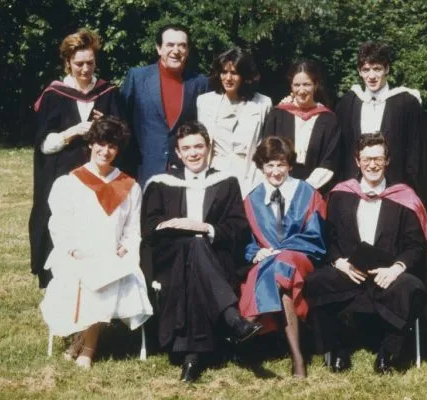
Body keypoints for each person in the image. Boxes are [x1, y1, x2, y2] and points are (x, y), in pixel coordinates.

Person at [304, 133, 427, 374]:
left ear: (387, 161)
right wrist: (339, 262)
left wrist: (396, 269)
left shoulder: (404, 198)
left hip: (387, 273)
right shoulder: (340, 195)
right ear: (357, 162)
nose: (372, 165)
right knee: (316, 282)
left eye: (378, 159)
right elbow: (329, 238)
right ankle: (339, 349)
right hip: (351, 271)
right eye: (367, 159)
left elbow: (416, 246)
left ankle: (386, 354)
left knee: (411, 288)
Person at [141, 121, 262, 383]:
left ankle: (191, 356)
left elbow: (238, 227)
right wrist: (177, 225)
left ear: (208, 148)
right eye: (186, 148)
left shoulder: (226, 182)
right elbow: (149, 228)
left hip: (214, 256)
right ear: (178, 152)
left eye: (198, 146)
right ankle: (232, 319)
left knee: (197, 249)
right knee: (192, 246)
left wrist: (205, 228)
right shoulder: (161, 183)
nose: (193, 153)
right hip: (171, 259)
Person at [39, 116, 153, 369]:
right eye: (101, 143)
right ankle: (82, 340)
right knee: (88, 273)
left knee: (102, 275)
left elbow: (133, 229)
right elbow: (59, 224)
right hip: (77, 252)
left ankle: (87, 348)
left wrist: (125, 247)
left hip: (114, 255)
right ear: (91, 143)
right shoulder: (71, 182)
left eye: (112, 146)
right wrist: (72, 248)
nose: (105, 151)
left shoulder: (130, 187)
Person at [334, 41, 427, 286]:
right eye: (366, 69)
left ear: (387, 69)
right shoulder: (348, 103)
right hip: (357, 190)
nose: (371, 75)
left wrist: (412, 194)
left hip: (394, 192)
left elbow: (416, 154)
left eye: (377, 68)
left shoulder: (406, 104)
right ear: (359, 71)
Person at [29, 28, 124, 288]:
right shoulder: (54, 94)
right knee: (63, 226)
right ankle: (59, 284)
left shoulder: (108, 93)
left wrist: (107, 124)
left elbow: (124, 137)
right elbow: (44, 146)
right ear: (67, 62)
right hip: (62, 174)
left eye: (90, 63)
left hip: (100, 175)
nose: (85, 69)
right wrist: (73, 132)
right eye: (79, 63)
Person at [238, 136, 327, 378]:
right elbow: (247, 241)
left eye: (281, 164)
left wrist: (282, 250)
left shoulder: (307, 193)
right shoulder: (252, 200)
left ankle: (249, 320)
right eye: (269, 165)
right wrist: (256, 252)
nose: (275, 171)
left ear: (290, 165)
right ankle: (298, 358)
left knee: (284, 262)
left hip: (301, 258)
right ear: (261, 166)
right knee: (281, 276)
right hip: (270, 265)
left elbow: (316, 237)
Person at [121, 23, 209, 185]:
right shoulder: (137, 78)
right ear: (159, 48)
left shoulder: (200, 83)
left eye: (182, 45)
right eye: (170, 45)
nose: (176, 51)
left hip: (185, 173)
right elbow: (121, 121)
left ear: (188, 50)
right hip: (143, 171)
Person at [197, 48, 272, 196]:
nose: (228, 78)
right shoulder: (205, 102)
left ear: (245, 75)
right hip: (214, 175)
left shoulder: (263, 103)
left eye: (234, 73)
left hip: (249, 177)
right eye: (224, 72)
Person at [263, 60, 339, 194]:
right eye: (297, 85)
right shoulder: (277, 115)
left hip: (315, 189)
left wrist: (305, 188)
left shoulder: (329, 120)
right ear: (291, 86)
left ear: (316, 85)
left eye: (306, 84)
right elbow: (267, 154)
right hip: (278, 185)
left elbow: (329, 160)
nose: (301, 90)